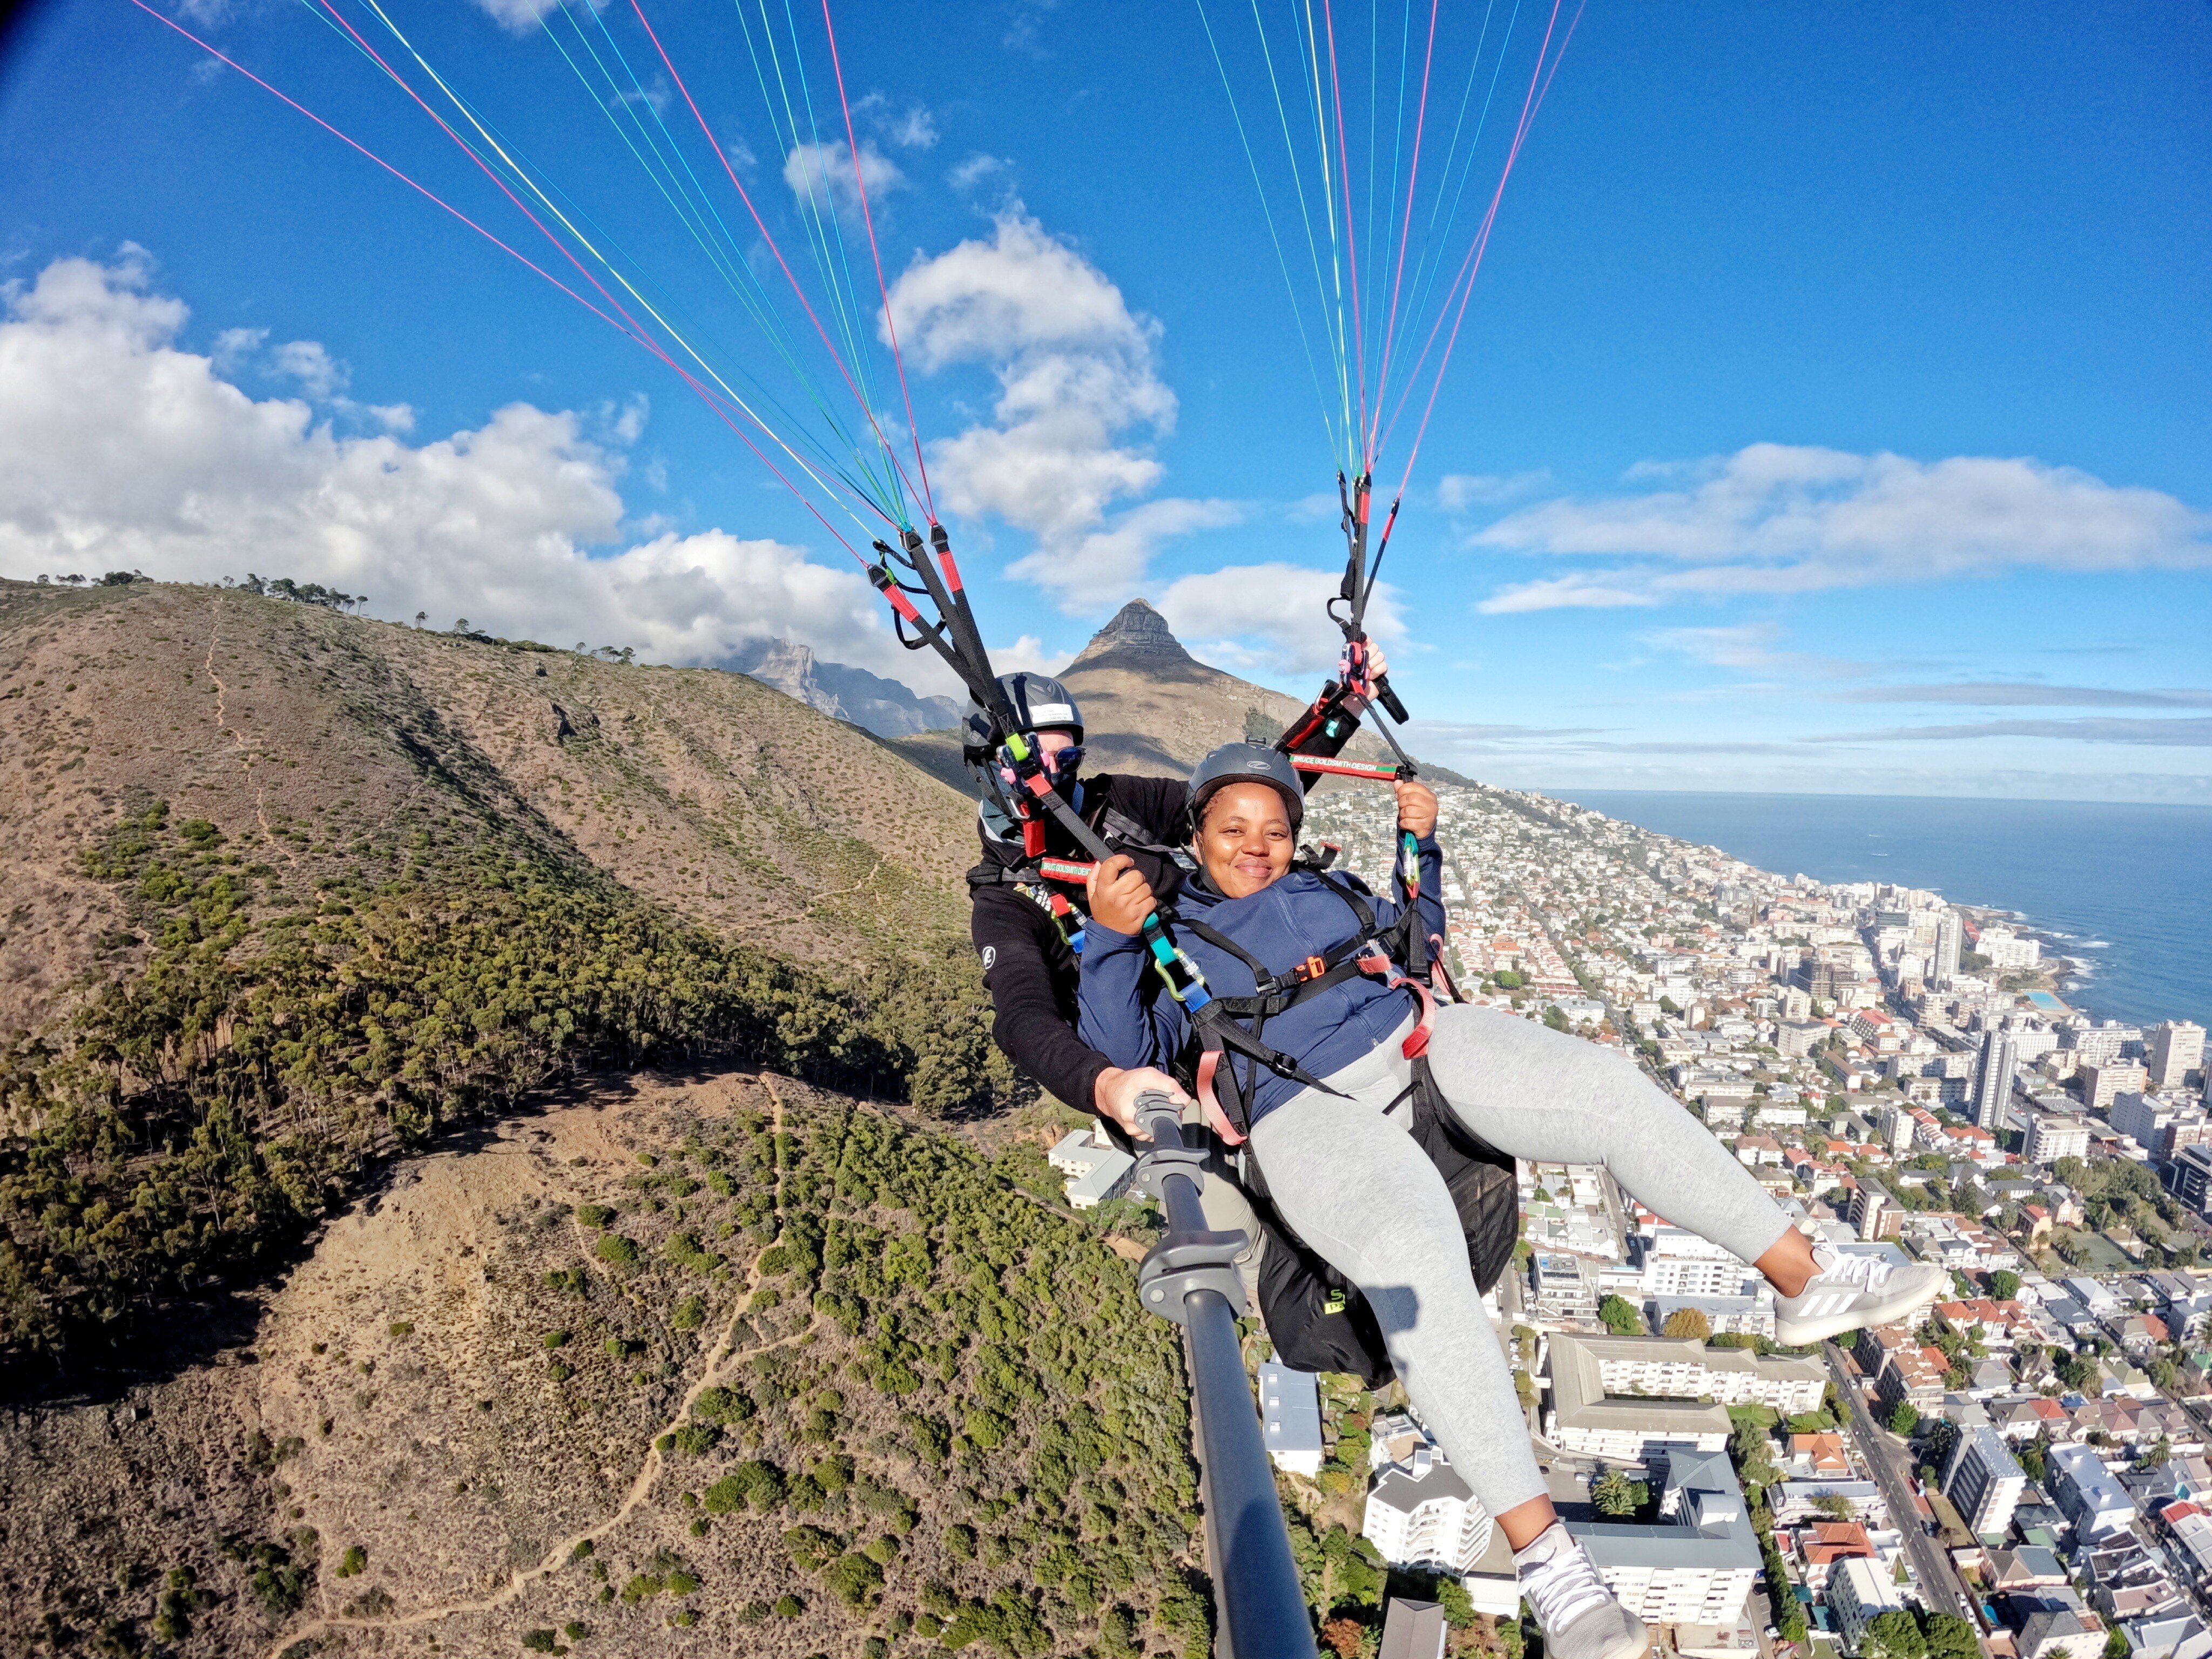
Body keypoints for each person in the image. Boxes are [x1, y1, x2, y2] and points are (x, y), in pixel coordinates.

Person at [1079, 744, 1950, 1659]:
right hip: (1294, 1102)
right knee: (1411, 1253)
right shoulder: (1166, 925)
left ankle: (1802, 1275)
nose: (1257, 848)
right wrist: (1107, 936)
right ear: (1197, 834)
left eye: (1276, 831)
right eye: (1234, 831)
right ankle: (1548, 1560)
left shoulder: (1329, 894)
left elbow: (1416, 946)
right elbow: (1126, 1043)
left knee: (1609, 1089)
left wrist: (1424, 851)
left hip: (1416, 1040)